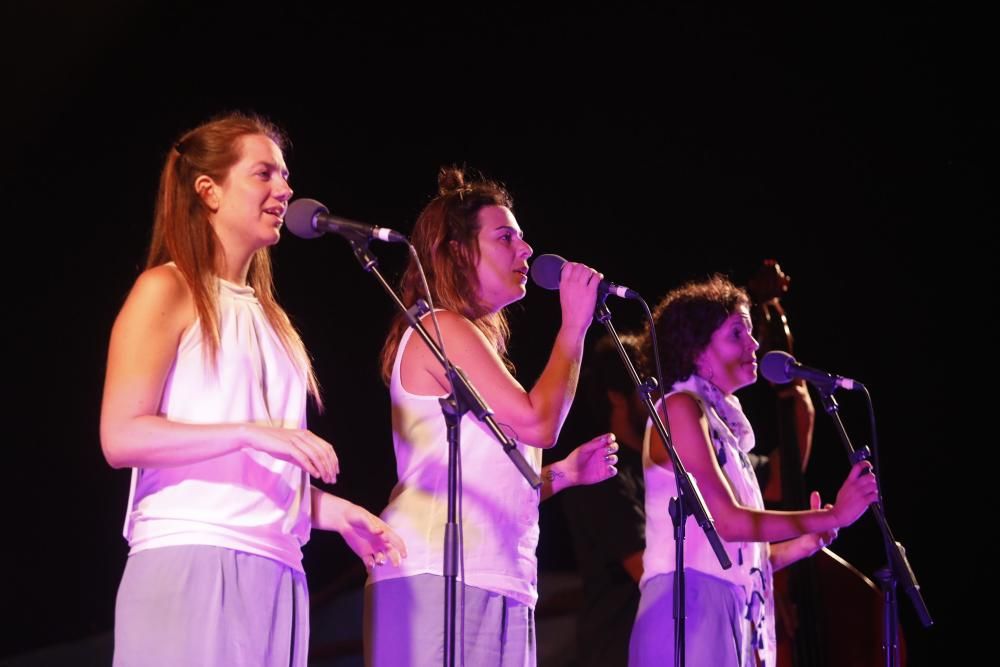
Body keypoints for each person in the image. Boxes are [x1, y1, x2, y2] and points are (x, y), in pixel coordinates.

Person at [100, 112, 405, 667]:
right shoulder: (166, 288)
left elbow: (250, 469)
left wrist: (334, 512)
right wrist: (252, 433)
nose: (285, 190)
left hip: (278, 569)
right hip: (193, 557)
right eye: (264, 174)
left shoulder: (274, 320)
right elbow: (121, 436)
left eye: (284, 176)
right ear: (208, 191)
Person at [364, 167, 619, 666]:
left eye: (523, 239)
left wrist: (562, 475)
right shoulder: (440, 326)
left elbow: (484, 476)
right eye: (506, 238)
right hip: (439, 570)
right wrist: (573, 325)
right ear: (458, 251)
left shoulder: (474, 346)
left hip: (497, 574)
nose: (526, 251)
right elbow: (539, 422)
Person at [628, 275, 878, 667]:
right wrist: (830, 515)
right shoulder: (679, 408)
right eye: (736, 333)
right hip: (689, 606)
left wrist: (805, 542)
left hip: (727, 603)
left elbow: (737, 554)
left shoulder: (722, 430)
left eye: (750, 332)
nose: (755, 343)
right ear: (696, 350)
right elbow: (727, 522)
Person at [560, 333, 648, 667]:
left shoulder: (660, 468)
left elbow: (774, 483)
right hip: (618, 650)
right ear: (617, 395)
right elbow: (647, 569)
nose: (660, 401)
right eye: (647, 391)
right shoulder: (604, 473)